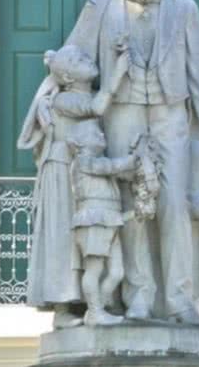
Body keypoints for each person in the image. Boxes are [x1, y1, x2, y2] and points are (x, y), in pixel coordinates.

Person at [65, 0, 199, 326]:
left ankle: (180, 299)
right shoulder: (99, 6)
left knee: (175, 205)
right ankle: (138, 297)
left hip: (170, 112)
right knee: (132, 208)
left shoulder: (182, 8)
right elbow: (71, 59)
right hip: (122, 111)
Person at [17, 43, 131, 328]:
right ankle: (63, 305)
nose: (87, 58)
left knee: (80, 242)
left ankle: (93, 301)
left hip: (79, 174)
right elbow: (97, 106)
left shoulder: (77, 95)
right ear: (67, 78)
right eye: (78, 59)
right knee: (63, 239)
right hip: (62, 172)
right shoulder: (64, 100)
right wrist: (118, 71)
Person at [67, 119, 137, 326]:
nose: (102, 137)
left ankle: (99, 304)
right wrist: (133, 159)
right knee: (94, 270)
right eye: (95, 135)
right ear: (80, 143)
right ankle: (95, 311)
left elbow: (118, 172)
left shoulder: (99, 163)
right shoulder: (84, 161)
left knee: (117, 272)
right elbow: (110, 167)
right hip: (93, 219)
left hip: (110, 219)